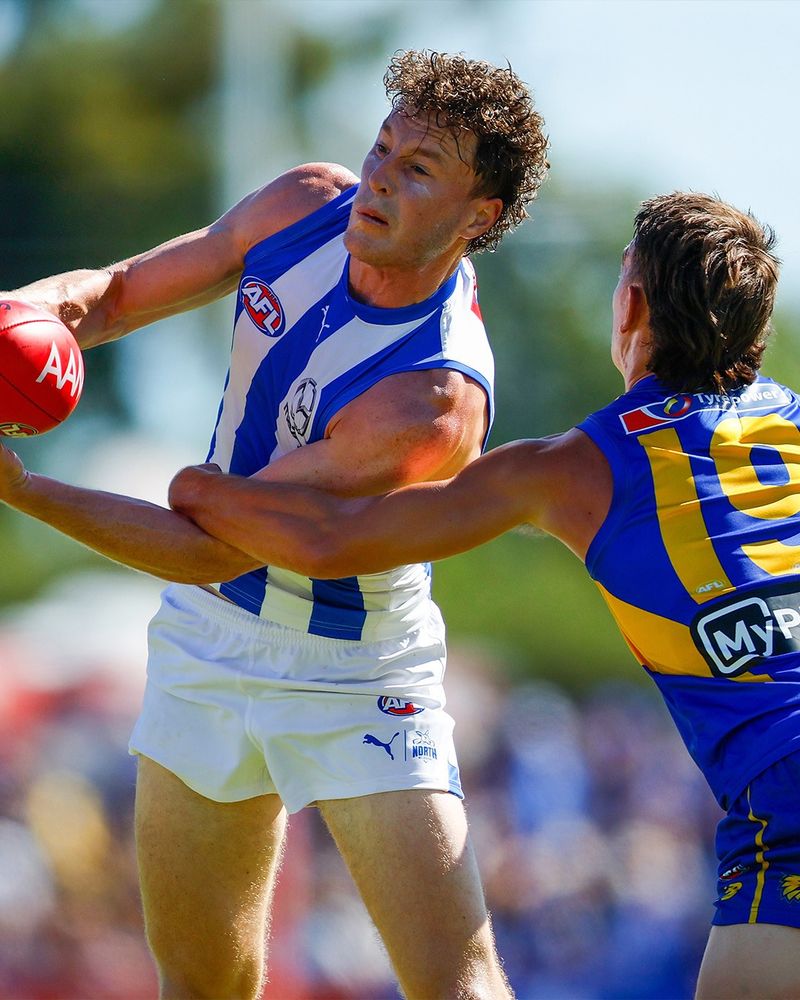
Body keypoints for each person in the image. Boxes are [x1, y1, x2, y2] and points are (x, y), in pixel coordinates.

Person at [152, 190, 799, 999]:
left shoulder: (575, 467)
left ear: (631, 303)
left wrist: (200, 491)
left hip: (784, 796)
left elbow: (329, 544)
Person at [0, 50, 549, 1000]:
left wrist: (23, 489)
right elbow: (123, 293)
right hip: (210, 643)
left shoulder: (432, 397)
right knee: (201, 982)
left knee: (454, 983)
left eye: (419, 169)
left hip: (357, 670)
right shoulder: (305, 205)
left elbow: (214, 545)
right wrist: (31, 311)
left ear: (478, 217)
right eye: (383, 147)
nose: (379, 176)